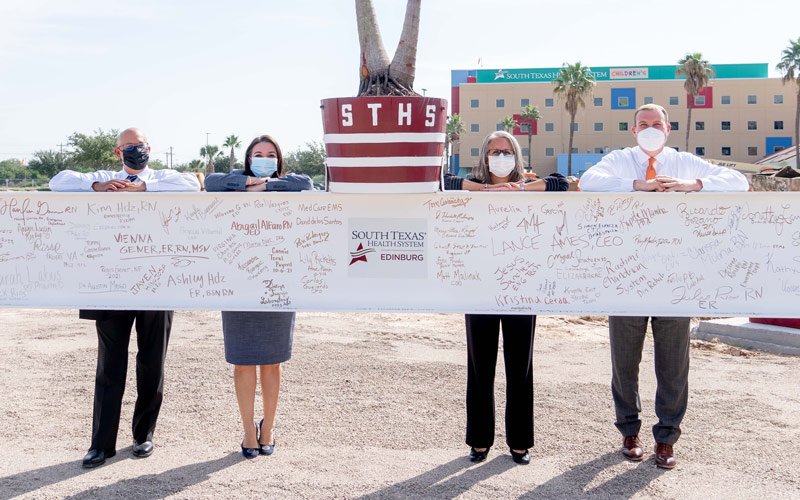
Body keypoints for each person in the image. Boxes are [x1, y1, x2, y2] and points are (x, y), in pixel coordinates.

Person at [579, 103, 749, 469]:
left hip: (676, 278)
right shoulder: (621, 161)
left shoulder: (687, 162)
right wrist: (637, 185)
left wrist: (695, 185)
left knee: (673, 365)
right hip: (627, 277)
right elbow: (587, 181)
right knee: (624, 361)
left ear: (668, 128)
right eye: (644, 124)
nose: (650, 128)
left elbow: (740, 182)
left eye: (657, 123)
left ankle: (666, 438)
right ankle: (629, 430)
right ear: (633, 129)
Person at [49, 127, 201, 468]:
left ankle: (143, 435)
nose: (137, 150)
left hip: (157, 283)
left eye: (142, 145)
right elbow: (58, 180)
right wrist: (97, 187)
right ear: (118, 152)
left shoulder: (166, 178)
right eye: (130, 146)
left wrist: (145, 187)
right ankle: (101, 445)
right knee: (109, 365)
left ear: (151, 148)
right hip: (110, 283)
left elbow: (193, 184)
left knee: (152, 362)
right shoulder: (103, 177)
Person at [445, 131, 568, 465]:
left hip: (522, 289)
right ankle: (479, 440)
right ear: (484, 156)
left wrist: (521, 188)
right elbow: (441, 180)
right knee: (479, 367)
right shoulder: (471, 185)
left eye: (506, 151)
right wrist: (487, 190)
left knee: (520, 368)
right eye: (493, 151)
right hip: (480, 288)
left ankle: (519, 442)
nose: (500, 156)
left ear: (516, 155)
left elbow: (564, 182)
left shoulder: (531, 186)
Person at [205, 134, 312, 459]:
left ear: (278, 159)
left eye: (269, 154)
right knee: (242, 363)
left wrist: (265, 186)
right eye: (257, 154)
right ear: (248, 159)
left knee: (271, 361)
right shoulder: (233, 183)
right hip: (238, 281)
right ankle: (248, 429)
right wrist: (250, 183)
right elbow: (210, 181)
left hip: (278, 282)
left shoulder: (290, 183)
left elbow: (306, 182)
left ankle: (269, 427)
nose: (263, 158)